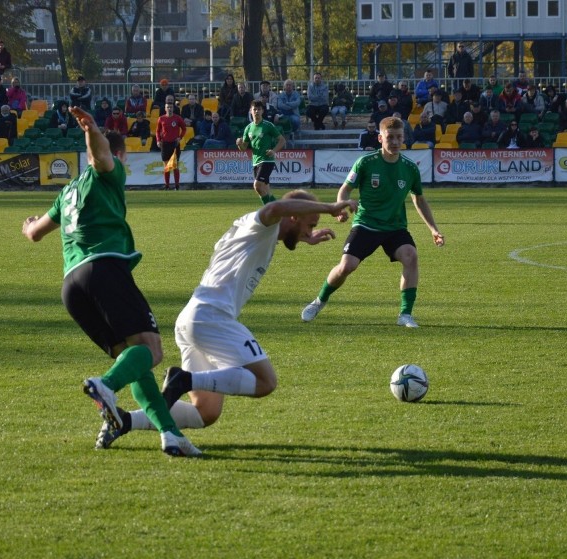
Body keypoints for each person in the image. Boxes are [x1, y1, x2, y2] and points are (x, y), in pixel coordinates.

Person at [100, 191, 356, 447]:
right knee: (266, 382)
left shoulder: (260, 232)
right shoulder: (262, 226)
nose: (311, 230)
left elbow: (282, 216)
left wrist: (304, 235)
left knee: (205, 411)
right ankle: (183, 379)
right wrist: (329, 206)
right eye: (309, 224)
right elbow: (275, 207)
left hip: (192, 319)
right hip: (212, 317)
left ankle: (124, 421)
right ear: (293, 215)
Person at [21, 106, 200, 458]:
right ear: (119, 155)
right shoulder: (108, 172)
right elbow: (102, 156)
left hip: (72, 287)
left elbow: (35, 234)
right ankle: (105, 386)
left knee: (133, 359)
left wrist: (27, 226)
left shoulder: (66, 194)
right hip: (104, 270)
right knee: (151, 350)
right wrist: (90, 128)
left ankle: (170, 433)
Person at [301, 116, 444, 328]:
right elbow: (345, 189)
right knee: (347, 266)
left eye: (399, 137)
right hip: (366, 224)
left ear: (404, 138)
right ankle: (319, 301)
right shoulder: (366, 162)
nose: (395, 142)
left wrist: (433, 229)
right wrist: (340, 207)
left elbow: (419, 199)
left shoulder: (410, 167)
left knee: (411, 256)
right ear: (380, 138)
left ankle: (405, 314)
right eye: (390, 137)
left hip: (395, 227)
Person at [236, 99, 286, 204]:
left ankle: (268, 213)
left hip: (267, 160)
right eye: (255, 109)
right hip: (255, 161)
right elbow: (244, 148)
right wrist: (239, 144)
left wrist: (274, 151)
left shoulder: (268, 125)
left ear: (262, 111)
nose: (257, 112)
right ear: (251, 111)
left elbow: (282, 140)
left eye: (259, 109)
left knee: (257, 186)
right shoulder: (248, 128)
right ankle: (278, 211)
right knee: (265, 190)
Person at [156, 96, 185, 190]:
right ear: (165, 108)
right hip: (165, 144)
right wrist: (158, 140)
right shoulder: (161, 119)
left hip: (174, 144)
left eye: (171, 107)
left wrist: (180, 137)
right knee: (166, 166)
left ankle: (177, 185)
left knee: (175, 166)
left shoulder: (177, 118)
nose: (169, 109)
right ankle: (167, 185)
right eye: (167, 107)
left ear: (173, 108)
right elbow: (157, 131)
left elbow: (184, 129)